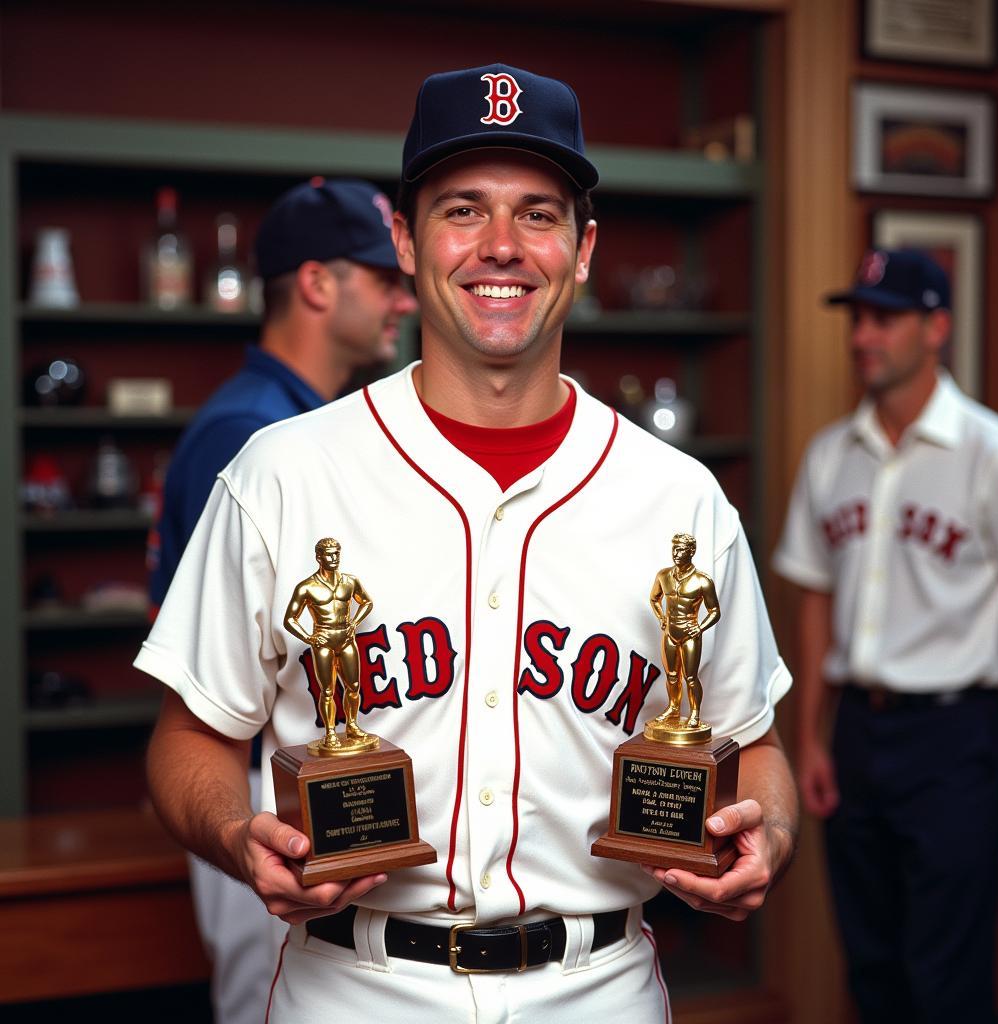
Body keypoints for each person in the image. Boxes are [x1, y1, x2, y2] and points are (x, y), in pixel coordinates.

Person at [137, 63, 797, 1023]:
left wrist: (766, 831)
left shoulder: (680, 498)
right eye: (462, 210)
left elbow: (756, 744)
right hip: (353, 987)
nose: (501, 247)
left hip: (598, 988)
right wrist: (241, 834)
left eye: (538, 214)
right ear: (405, 241)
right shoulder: (281, 473)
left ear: (582, 249)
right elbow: (188, 735)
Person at [147, 176, 417, 1024]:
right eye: (384, 279)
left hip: (309, 779)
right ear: (315, 283)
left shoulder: (307, 420)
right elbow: (210, 661)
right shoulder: (254, 434)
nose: (403, 301)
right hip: (267, 786)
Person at [773, 248, 998, 1024]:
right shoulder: (828, 455)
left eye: (885, 319)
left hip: (957, 735)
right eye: (858, 320)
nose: (862, 337)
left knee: (943, 974)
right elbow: (815, 598)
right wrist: (810, 737)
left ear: (937, 327)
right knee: (872, 964)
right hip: (857, 732)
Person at [283, 537, 375, 751]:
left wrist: (354, 622)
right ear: (318, 557)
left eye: (337, 553)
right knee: (327, 690)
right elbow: (289, 619)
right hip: (323, 640)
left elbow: (367, 602)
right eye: (329, 554)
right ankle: (331, 732)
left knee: (353, 687)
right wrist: (309, 638)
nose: (334, 558)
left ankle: (352, 725)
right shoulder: (306, 587)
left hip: (346, 637)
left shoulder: (350, 581)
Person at [648, 533, 720, 732]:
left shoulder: (703, 581)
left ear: (692, 552)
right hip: (670, 633)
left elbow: (715, 611)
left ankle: (695, 712)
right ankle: (673, 708)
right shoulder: (663, 575)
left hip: (690, 635)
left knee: (690, 677)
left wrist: (700, 627)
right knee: (672, 675)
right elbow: (654, 599)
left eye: (681, 550)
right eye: (674, 549)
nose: (676, 554)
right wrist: (662, 617)